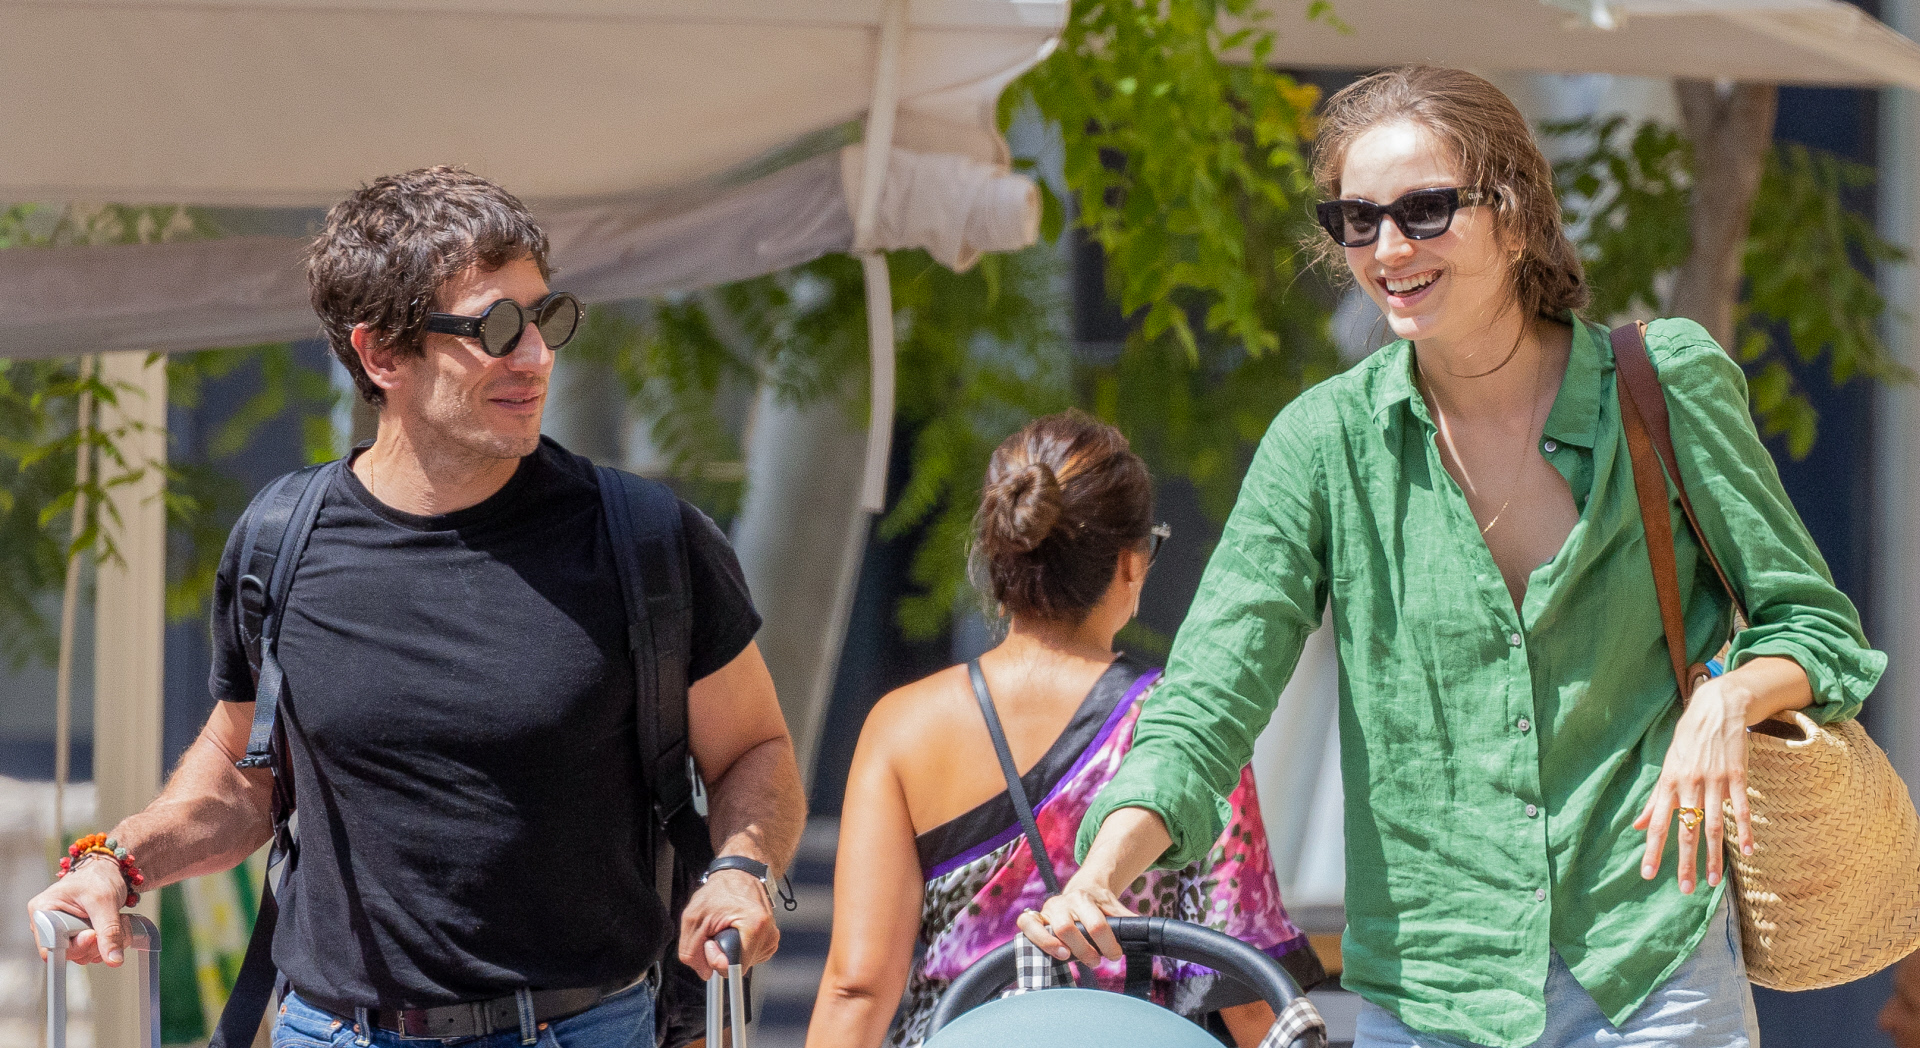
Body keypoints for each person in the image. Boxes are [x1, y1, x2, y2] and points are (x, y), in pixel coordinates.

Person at [1020, 67, 1884, 1048]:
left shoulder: (1664, 386)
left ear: (1515, 220)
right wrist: (1101, 868)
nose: (1390, 248)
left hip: (1651, 958)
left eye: (1427, 210)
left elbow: (1815, 623)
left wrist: (1730, 698)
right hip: (1433, 990)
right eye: (1358, 219)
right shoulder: (1325, 442)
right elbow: (1207, 705)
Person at [28, 167, 807, 1048]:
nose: (537, 356)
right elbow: (242, 777)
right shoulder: (282, 541)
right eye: (497, 329)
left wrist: (744, 871)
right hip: (333, 1033)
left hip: (582, 1029)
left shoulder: (646, 541)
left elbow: (756, 748)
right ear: (381, 354)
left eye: (546, 319)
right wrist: (114, 862)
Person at [806, 411, 1320, 1048]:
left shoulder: (902, 727)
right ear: (1131, 565)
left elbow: (858, 986)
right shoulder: (1181, 727)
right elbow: (1241, 979)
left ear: (996, 559)